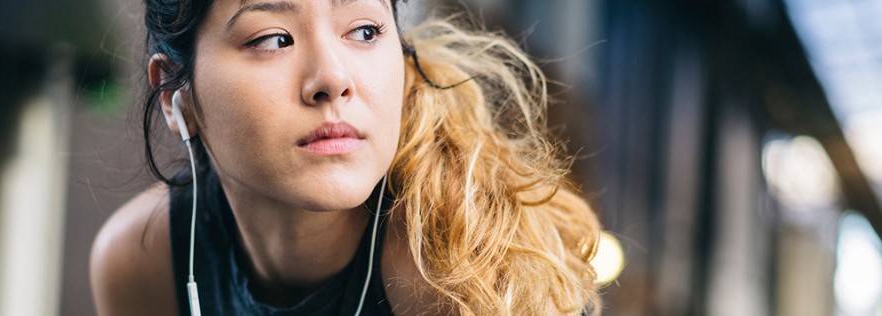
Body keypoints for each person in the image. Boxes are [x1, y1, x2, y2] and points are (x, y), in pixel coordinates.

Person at [90, 0, 605, 314]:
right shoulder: (142, 261)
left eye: (365, 31)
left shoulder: (454, 274)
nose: (333, 78)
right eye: (274, 39)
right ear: (176, 98)